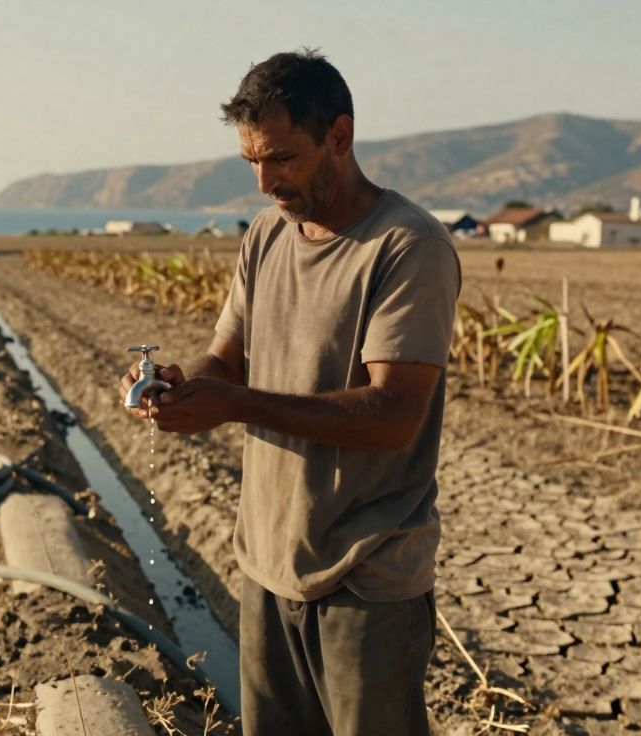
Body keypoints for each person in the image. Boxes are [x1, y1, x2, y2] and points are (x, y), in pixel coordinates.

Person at [119, 49, 460, 735]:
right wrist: (184, 387)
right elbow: (227, 358)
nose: (265, 182)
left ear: (339, 136)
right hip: (270, 565)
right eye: (251, 162)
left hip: (365, 579)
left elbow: (394, 415)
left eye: (281, 159)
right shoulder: (268, 237)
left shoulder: (405, 247)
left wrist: (236, 407)